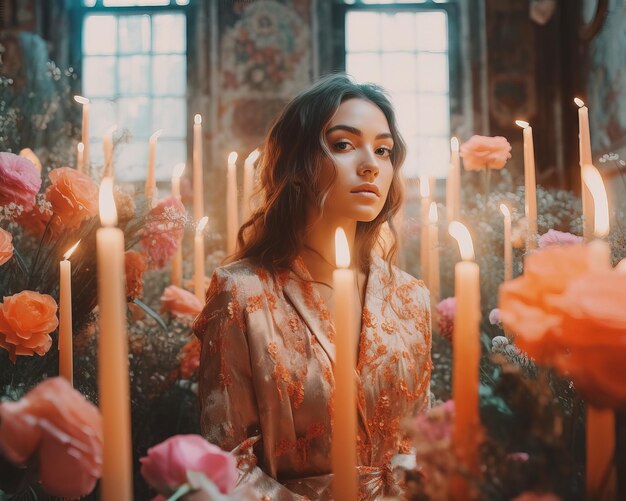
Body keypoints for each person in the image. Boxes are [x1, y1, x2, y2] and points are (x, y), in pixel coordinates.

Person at [193, 73, 432, 500]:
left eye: (383, 150)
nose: (370, 164)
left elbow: (422, 448)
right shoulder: (243, 294)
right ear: (299, 165)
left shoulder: (410, 298)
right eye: (343, 144)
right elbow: (227, 462)